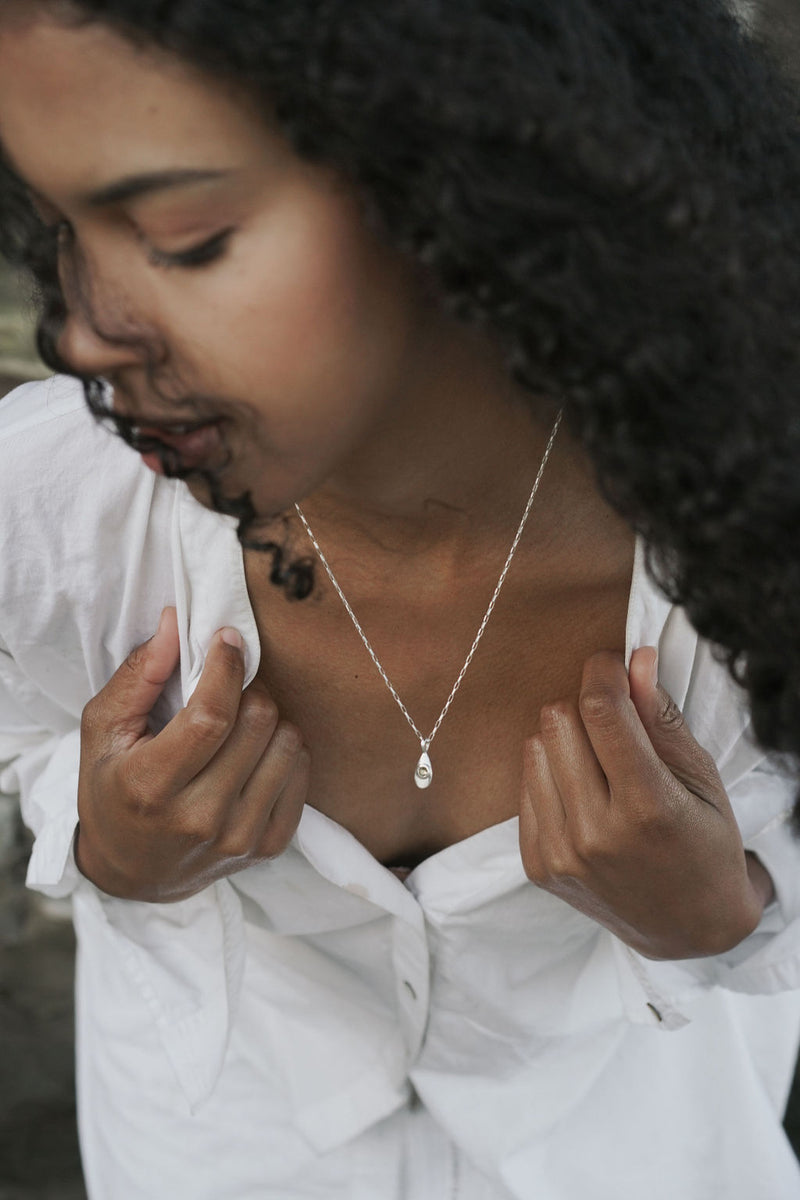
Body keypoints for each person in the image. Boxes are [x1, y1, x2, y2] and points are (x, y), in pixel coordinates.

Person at [0, 1, 799, 1197]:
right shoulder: (57, 503)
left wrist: (722, 914)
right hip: (212, 1133)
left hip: (639, 1138)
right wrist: (98, 836)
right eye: (60, 228)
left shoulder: (752, 546)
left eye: (184, 236)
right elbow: (23, 717)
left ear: (464, 185)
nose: (81, 332)